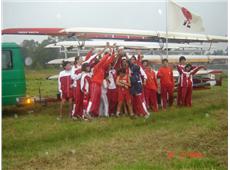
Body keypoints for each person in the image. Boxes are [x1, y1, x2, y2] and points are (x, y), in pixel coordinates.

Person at [86, 47, 115, 117]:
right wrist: (108, 54)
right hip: (95, 84)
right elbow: (103, 61)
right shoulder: (96, 67)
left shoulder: (102, 68)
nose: (102, 62)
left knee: (97, 99)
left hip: (98, 84)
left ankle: (93, 113)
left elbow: (109, 61)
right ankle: (88, 111)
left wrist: (112, 53)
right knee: (93, 98)